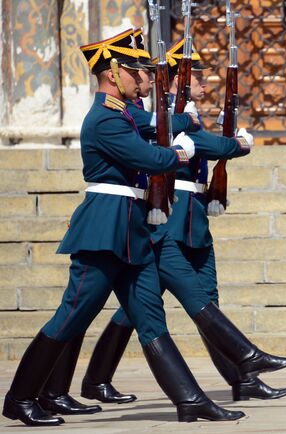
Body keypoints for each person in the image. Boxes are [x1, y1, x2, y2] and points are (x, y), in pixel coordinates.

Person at [2, 29, 245, 427]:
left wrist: (197, 134)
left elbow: (157, 129)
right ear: (113, 74)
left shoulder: (123, 115)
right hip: (104, 227)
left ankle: (190, 399)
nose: (144, 79)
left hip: (131, 227)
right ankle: (21, 397)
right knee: (74, 314)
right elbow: (148, 157)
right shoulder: (105, 119)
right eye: (136, 72)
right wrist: (178, 153)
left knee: (151, 318)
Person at [79, 35, 286, 406]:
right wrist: (238, 146)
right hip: (170, 217)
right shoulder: (162, 117)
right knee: (155, 308)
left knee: (196, 301)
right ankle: (98, 378)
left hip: (194, 217)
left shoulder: (178, 115)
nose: (204, 83)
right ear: (180, 81)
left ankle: (243, 375)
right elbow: (204, 145)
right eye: (197, 77)